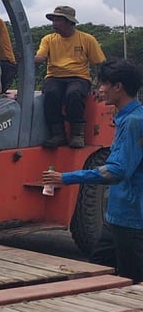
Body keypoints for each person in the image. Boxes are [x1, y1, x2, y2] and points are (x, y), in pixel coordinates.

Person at [42, 59, 143, 283]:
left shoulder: (134, 122)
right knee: (97, 271)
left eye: (104, 84)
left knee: (132, 282)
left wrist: (66, 178)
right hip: (117, 217)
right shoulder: (128, 118)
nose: (100, 89)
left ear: (118, 87)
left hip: (131, 218)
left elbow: (117, 171)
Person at [34, 5, 106, 148]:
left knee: (74, 94)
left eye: (58, 20)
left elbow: (101, 63)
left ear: (69, 22)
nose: (54, 24)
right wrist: (33, 59)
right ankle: (58, 134)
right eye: (53, 20)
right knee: (51, 94)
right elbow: (41, 56)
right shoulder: (48, 39)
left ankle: (77, 134)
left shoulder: (87, 39)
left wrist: (100, 85)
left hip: (78, 77)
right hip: (54, 76)